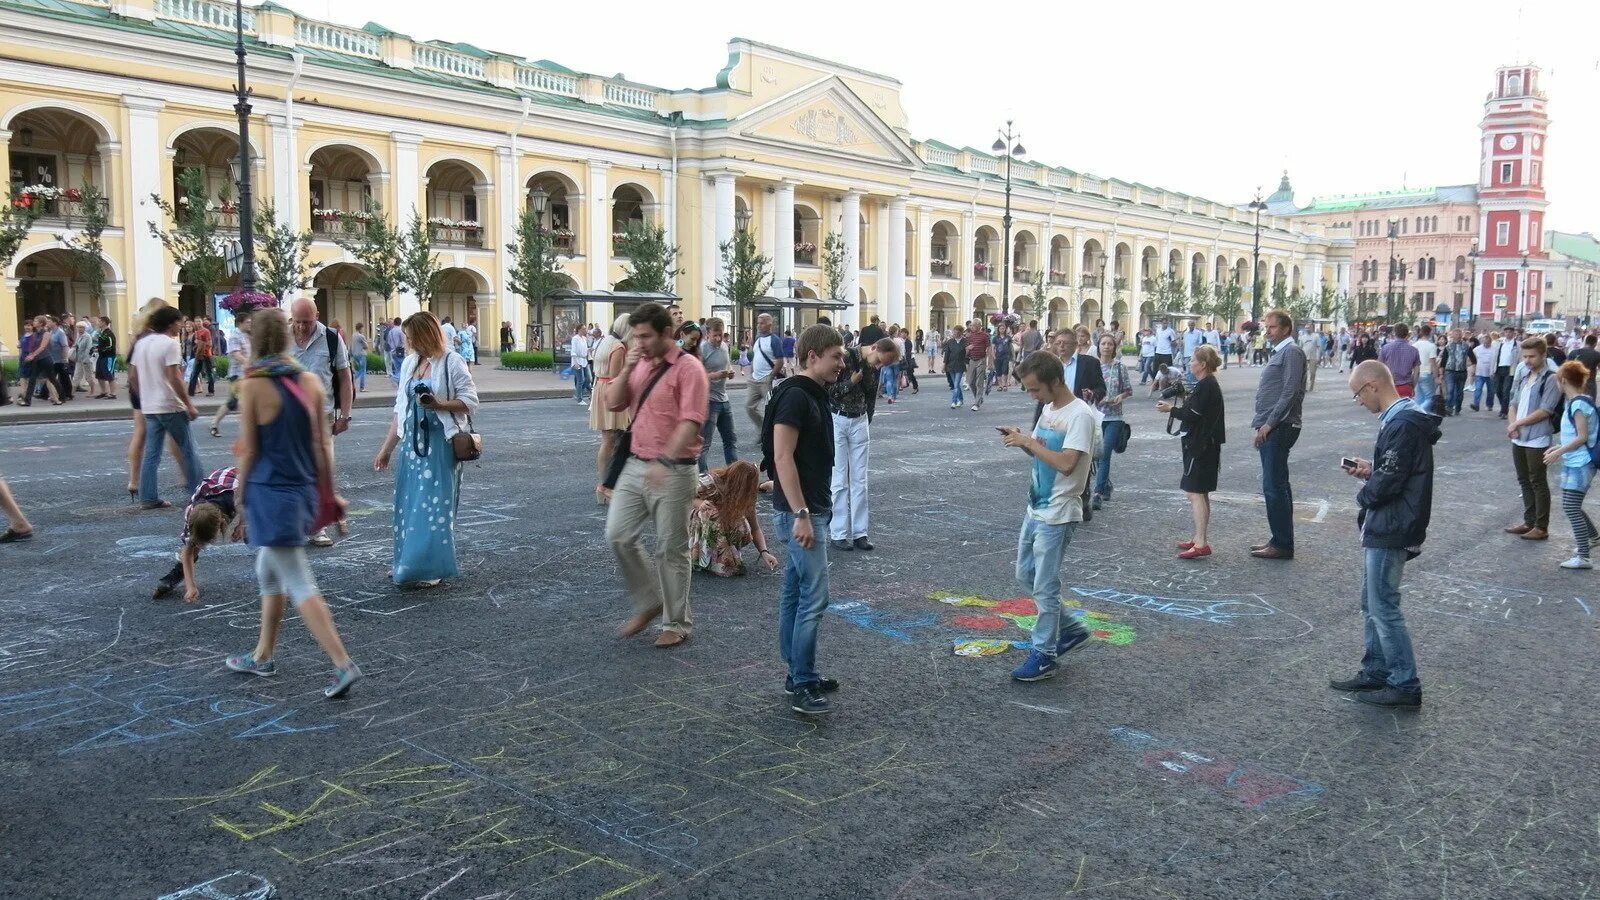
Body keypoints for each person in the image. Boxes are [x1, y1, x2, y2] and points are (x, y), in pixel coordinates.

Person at [222, 308, 361, 699]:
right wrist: (329, 494)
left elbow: (248, 451)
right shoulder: (311, 382)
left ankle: (342, 664)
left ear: (256, 341)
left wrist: (240, 497)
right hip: (300, 490)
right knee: (269, 568)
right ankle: (263, 654)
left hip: (271, 493)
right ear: (284, 338)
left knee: (298, 581)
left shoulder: (253, 386)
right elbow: (322, 446)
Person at [1331, 360, 1438, 709]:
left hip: (1392, 524)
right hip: (1391, 521)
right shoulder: (1403, 419)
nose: (1359, 402)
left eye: (1358, 394)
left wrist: (1366, 491)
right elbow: (1396, 471)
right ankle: (1376, 670)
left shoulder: (1402, 424)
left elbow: (1390, 481)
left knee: (1384, 606)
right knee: (1372, 602)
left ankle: (1404, 683)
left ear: (1372, 386)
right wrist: (1371, 472)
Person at [606, 303, 709, 649]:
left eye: (646, 336)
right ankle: (650, 601)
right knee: (618, 535)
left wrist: (664, 461)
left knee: (671, 549)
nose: (640, 343)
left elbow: (691, 421)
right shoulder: (639, 364)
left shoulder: (689, 369)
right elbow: (612, 403)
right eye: (636, 337)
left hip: (675, 469)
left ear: (668, 333)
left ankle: (676, 622)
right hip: (636, 464)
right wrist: (626, 370)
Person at [763, 324, 846, 715]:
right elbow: (782, 457)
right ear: (813, 356)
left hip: (807, 508)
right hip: (802, 513)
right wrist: (801, 515)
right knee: (815, 596)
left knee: (795, 593)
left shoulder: (807, 393)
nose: (842, 365)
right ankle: (802, 681)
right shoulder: (796, 396)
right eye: (836, 357)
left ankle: (798, 672)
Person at [999, 351, 1096, 682]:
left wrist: (1030, 442)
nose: (1032, 396)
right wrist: (1022, 440)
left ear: (1055, 381)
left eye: (1035, 389)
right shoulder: (1049, 409)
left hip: (1059, 512)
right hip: (1036, 507)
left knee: (1045, 585)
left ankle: (1044, 655)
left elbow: (1067, 463)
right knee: (1025, 574)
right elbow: (1041, 449)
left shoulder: (1080, 415)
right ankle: (1070, 630)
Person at [374, 312, 479, 587]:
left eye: (410, 337)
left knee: (433, 506)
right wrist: (386, 449)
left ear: (423, 336)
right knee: (410, 504)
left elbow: (470, 400)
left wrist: (439, 405)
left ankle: (429, 566)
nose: (406, 342)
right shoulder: (410, 363)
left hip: (440, 444)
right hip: (411, 446)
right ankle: (407, 560)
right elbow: (400, 409)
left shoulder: (451, 361)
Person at [289, 297, 353, 546]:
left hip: (322, 416)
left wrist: (345, 415)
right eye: (298, 322)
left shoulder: (331, 338)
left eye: (308, 321)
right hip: (288, 417)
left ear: (317, 315)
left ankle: (318, 527)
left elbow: (345, 378)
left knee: (321, 472)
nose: (303, 327)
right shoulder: (282, 338)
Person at [129, 305, 205, 510]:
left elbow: (132, 376)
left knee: (152, 453)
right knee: (188, 449)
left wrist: (143, 396)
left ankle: (148, 497)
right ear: (171, 323)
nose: (181, 325)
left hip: (150, 406)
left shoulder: (142, 343)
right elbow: (175, 377)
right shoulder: (170, 344)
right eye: (179, 321)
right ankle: (200, 493)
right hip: (171, 405)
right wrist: (188, 404)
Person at [827, 337, 899, 553]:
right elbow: (829, 391)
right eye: (878, 361)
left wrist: (867, 420)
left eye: (882, 365)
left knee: (860, 479)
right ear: (874, 347)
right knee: (839, 479)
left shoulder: (873, 367)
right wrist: (852, 382)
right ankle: (838, 533)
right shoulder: (845, 357)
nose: (878, 367)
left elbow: (871, 397)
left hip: (859, 421)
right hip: (838, 419)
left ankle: (860, 533)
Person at [1158, 345, 1226, 559]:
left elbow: (1193, 414)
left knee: (1194, 492)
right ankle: (1199, 538)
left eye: (1193, 361)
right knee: (1200, 492)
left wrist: (1170, 409)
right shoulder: (1207, 384)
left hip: (1201, 445)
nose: (1190, 364)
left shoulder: (1206, 385)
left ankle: (1201, 542)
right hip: (1206, 444)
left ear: (1203, 364)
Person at [1250, 309, 1306, 561]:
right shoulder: (1282, 352)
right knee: (1277, 485)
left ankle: (1282, 544)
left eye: (1272, 327)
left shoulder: (1291, 352)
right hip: (1274, 425)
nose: (1267, 331)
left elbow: (1290, 391)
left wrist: (1269, 424)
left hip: (1281, 426)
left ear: (1286, 328)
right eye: (1267, 326)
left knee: (1274, 487)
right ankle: (1279, 539)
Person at [151, 466, 239, 601]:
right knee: (193, 546)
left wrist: (241, 525)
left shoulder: (234, 500)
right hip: (211, 493)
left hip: (243, 479)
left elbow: (251, 504)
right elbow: (188, 550)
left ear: (221, 522)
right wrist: (190, 586)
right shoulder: (192, 513)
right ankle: (176, 574)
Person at [1504, 337, 1562, 541]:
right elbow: (1513, 402)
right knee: (1524, 480)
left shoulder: (1552, 378)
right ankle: (1529, 521)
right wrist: (1513, 425)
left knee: (1537, 481)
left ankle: (1541, 526)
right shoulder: (1523, 374)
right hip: (1518, 436)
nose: (1527, 360)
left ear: (1543, 355)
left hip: (1537, 437)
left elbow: (1546, 410)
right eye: (1525, 356)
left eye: (1532, 356)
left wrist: (1517, 424)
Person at [1546, 360, 1599, 569]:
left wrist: (1558, 451)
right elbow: (1575, 436)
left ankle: (1584, 557)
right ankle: (1593, 537)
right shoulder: (1579, 401)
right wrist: (1559, 447)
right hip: (1575, 460)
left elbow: (1582, 436)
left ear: (1564, 380)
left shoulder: (1578, 404)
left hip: (1582, 462)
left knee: (1570, 506)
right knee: (1571, 504)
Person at [690, 460, 777, 577]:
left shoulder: (746, 496)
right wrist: (699, 503)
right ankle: (701, 555)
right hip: (694, 518)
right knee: (713, 514)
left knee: (741, 524)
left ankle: (723, 554)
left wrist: (764, 552)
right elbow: (681, 495)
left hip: (720, 522)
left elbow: (755, 528)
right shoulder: (708, 482)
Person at [591, 314, 632, 502]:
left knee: (608, 439)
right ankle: (606, 485)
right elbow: (616, 376)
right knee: (611, 440)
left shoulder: (606, 341)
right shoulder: (618, 347)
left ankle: (604, 484)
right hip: (610, 390)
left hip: (601, 387)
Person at [1092, 333, 1133, 511]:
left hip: (1114, 417)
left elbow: (1128, 390)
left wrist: (1120, 396)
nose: (1107, 347)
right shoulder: (1093, 367)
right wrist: (1093, 398)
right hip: (1097, 415)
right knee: (1096, 455)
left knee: (1104, 453)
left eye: (1110, 344)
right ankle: (1106, 484)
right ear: (1098, 346)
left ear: (1114, 347)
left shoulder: (1119, 367)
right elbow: (1087, 389)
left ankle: (1098, 493)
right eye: (1103, 344)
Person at [698, 317, 738, 474]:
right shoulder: (702, 349)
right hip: (709, 401)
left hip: (724, 399)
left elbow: (727, 366)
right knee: (704, 443)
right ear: (707, 334)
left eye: (721, 335)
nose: (718, 338)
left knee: (731, 440)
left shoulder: (724, 346)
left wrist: (730, 373)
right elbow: (697, 376)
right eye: (715, 335)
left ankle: (735, 476)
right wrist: (715, 375)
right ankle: (703, 477)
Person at [745, 313, 785, 432]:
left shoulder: (774, 340)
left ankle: (772, 434)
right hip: (754, 379)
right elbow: (756, 357)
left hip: (766, 380)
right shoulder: (758, 339)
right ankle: (763, 429)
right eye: (758, 323)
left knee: (771, 409)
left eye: (762, 323)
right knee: (749, 407)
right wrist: (751, 373)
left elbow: (780, 361)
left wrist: (771, 376)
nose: (759, 325)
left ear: (769, 324)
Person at [22, 317, 61, 406]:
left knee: (51, 379)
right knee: (32, 379)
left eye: (36, 321)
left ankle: (60, 397)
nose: (34, 322)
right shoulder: (35, 334)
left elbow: (42, 347)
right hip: (37, 360)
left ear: (41, 323)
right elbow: (32, 347)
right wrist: (30, 354)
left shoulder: (46, 333)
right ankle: (27, 401)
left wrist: (32, 355)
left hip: (46, 359)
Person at [964, 320, 992, 411]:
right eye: (971, 326)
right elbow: (967, 348)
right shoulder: (970, 336)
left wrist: (990, 362)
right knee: (971, 382)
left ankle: (976, 403)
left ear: (979, 326)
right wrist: (968, 348)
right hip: (972, 360)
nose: (971, 327)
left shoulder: (985, 336)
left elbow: (989, 348)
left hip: (981, 360)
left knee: (979, 382)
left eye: (973, 326)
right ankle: (979, 398)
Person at [1491, 325, 1519, 417]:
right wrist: (1492, 370)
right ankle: (1504, 407)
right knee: (1498, 390)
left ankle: (1504, 411)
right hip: (1499, 368)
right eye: (1506, 332)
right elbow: (1494, 357)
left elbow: (1519, 358)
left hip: (1510, 369)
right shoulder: (1499, 343)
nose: (1508, 334)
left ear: (1513, 333)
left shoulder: (1517, 344)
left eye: (1510, 332)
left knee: (1506, 390)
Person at [1442, 329, 1469, 416]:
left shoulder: (1466, 346)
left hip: (1462, 372)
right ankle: (1449, 408)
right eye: (1455, 334)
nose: (1457, 335)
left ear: (1461, 335)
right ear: (1452, 336)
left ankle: (1458, 408)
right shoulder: (1448, 346)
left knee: (1460, 391)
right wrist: (1441, 373)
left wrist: (1467, 364)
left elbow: (1473, 358)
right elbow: (1443, 360)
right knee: (1450, 390)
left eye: (1459, 334)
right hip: (1450, 371)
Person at [1412, 325, 1439, 410]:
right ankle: (1419, 411)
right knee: (1430, 397)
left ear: (1420, 332)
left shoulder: (1414, 345)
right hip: (1427, 373)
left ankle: (1418, 412)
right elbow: (1433, 363)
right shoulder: (1431, 346)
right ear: (1430, 333)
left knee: (1419, 397)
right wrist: (1436, 376)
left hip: (1416, 373)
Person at [188, 317, 215, 397]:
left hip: (206, 355)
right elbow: (196, 343)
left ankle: (211, 391)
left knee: (209, 373)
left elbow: (210, 343)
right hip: (198, 355)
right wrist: (197, 346)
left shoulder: (206, 331)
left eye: (199, 321)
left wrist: (202, 345)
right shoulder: (196, 332)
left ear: (202, 322)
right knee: (194, 373)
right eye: (196, 321)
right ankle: (191, 392)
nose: (198, 323)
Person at [943, 324, 968, 409]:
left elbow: (967, 354)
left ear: (961, 332)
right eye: (954, 331)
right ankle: (960, 400)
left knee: (956, 384)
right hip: (951, 365)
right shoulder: (950, 342)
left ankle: (954, 401)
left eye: (957, 332)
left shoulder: (965, 341)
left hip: (960, 365)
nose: (955, 333)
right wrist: (944, 365)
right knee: (955, 384)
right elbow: (947, 354)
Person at [92, 316, 117, 399]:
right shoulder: (101, 332)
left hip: (109, 357)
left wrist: (100, 349)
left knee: (109, 375)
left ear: (103, 322)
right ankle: (104, 392)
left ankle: (113, 393)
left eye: (99, 321)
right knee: (99, 375)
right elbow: (101, 344)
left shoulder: (109, 333)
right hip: (101, 356)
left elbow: (110, 346)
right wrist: (96, 348)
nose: (98, 323)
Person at [71, 320, 96, 394]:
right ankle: (72, 393)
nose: (79, 329)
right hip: (78, 359)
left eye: (81, 327)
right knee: (76, 376)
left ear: (85, 328)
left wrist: (85, 359)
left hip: (86, 360)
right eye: (78, 327)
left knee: (88, 377)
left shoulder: (87, 336)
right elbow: (75, 345)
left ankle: (92, 391)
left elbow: (88, 348)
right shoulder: (78, 336)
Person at [1571, 333, 1600, 399]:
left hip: (1575, 382)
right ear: (1595, 344)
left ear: (1585, 342)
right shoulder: (1597, 354)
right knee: (1589, 404)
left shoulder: (1574, 352)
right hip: (1590, 383)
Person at [570, 324, 592, 404]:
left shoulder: (584, 338)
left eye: (585, 329)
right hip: (577, 361)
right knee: (580, 380)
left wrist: (589, 350)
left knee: (589, 378)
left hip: (584, 361)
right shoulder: (575, 339)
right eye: (583, 329)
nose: (585, 330)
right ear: (579, 330)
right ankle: (579, 399)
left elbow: (584, 349)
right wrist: (575, 362)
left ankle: (579, 393)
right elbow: (573, 351)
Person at [1298, 326, 1321, 392]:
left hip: (1313, 357)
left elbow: (1319, 347)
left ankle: (1311, 387)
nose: (1307, 329)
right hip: (1304, 357)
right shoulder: (1302, 337)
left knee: (1312, 372)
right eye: (1306, 328)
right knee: (1304, 373)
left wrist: (1318, 357)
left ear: (1311, 328)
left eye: (1309, 328)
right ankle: (1304, 387)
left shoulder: (1316, 336)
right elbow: (1300, 348)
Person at [350, 323, 370, 392]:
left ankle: (352, 379)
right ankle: (361, 387)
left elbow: (351, 345)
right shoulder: (361, 336)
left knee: (358, 369)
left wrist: (351, 354)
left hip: (355, 354)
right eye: (362, 328)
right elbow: (366, 346)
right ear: (360, 328)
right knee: (363, 371)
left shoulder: (353, 335)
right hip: (361, 354)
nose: (363, 330)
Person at [386, 316, 406, 381]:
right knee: (403, 368)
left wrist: (392, 347)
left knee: (397, 368)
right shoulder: (400, 331)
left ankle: (397, 380)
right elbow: (404, 341)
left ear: (394, 323)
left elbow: (388, 341)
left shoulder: (390, 332)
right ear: (400, 323)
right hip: (400, 351)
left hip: (393, 351)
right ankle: (398, 379)